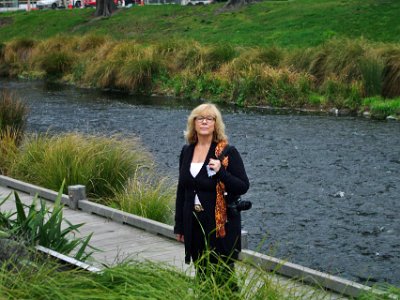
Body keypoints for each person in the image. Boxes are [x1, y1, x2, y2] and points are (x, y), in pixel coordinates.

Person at [174, 103, 249, 289]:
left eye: (210, 118)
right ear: (194, 123)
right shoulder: (187, 151)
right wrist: (180, 226)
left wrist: (221, 172)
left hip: (219, 224)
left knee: (223, 274)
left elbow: (242, 186)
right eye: (200, 118)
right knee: (202, 271)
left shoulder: (227, 152)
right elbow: (182, 190)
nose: (205, 121)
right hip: (194, 222)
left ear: (216, 124)